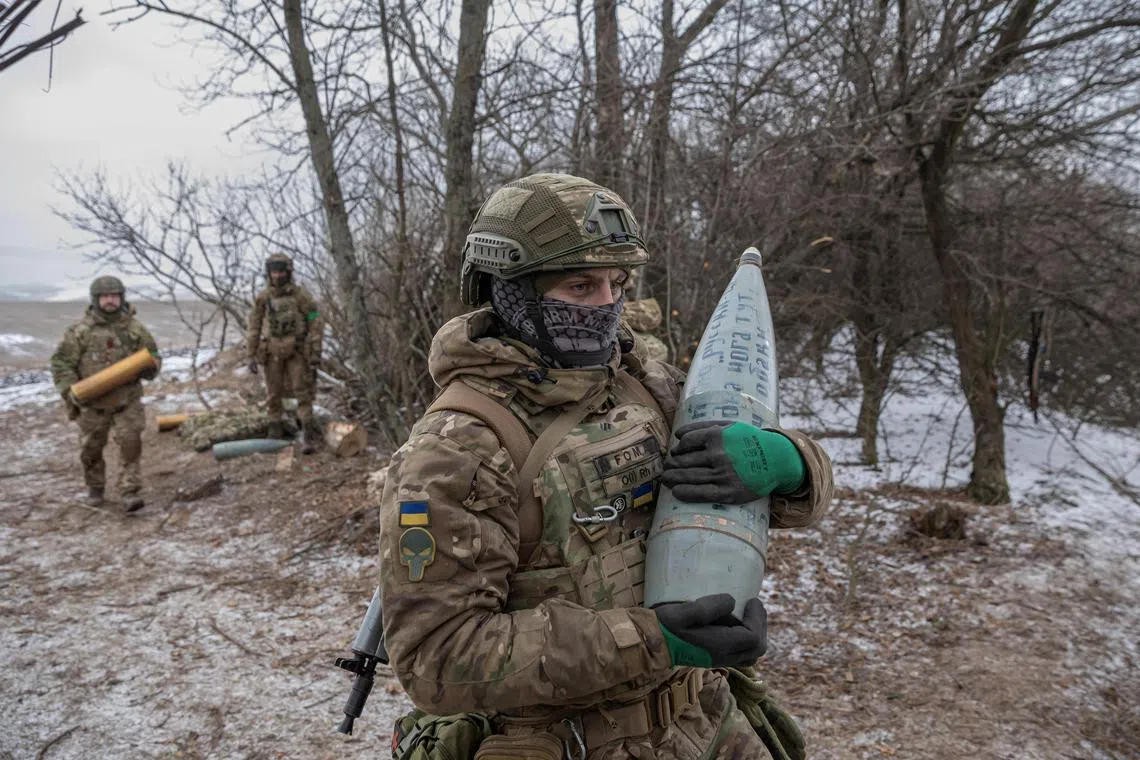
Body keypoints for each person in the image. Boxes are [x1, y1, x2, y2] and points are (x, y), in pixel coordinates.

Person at [378, 173, 833, 759]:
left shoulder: (647, 387)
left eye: (616, 283)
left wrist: (793, 465)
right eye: (580, 285)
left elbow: (772, 503)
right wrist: (652, 640)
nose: (606, 304)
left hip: (703, 721)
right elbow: (437, 659)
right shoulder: (457, 448)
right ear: (511, 292)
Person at [51, 276, 161, 512]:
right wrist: (70, 391)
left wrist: (150, 366)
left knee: (130, 445)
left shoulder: (135, 329)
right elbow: (61, 364)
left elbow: (153, 357)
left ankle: (130, 491)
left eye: (114, 296)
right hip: (93, 404)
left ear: (121, 298)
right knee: (90, 450)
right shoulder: (80, 331)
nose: (110, 300)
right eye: (105, 296)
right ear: (96, 299)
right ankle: (95, 488)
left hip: (127, 401)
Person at [245, 253, 324, 453]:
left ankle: (307, 433)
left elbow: (314, 319)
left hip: (297, 350)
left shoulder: (301, 296)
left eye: (281, 272)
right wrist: (251, 354)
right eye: (274, 272)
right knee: (273, 393)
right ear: (268, 273)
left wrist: (315, 350)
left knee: (303, 392)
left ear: (288, 272)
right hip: (272, 351)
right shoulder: (264, 297)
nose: (277, 276)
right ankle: (275, 430)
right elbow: (254, 325)